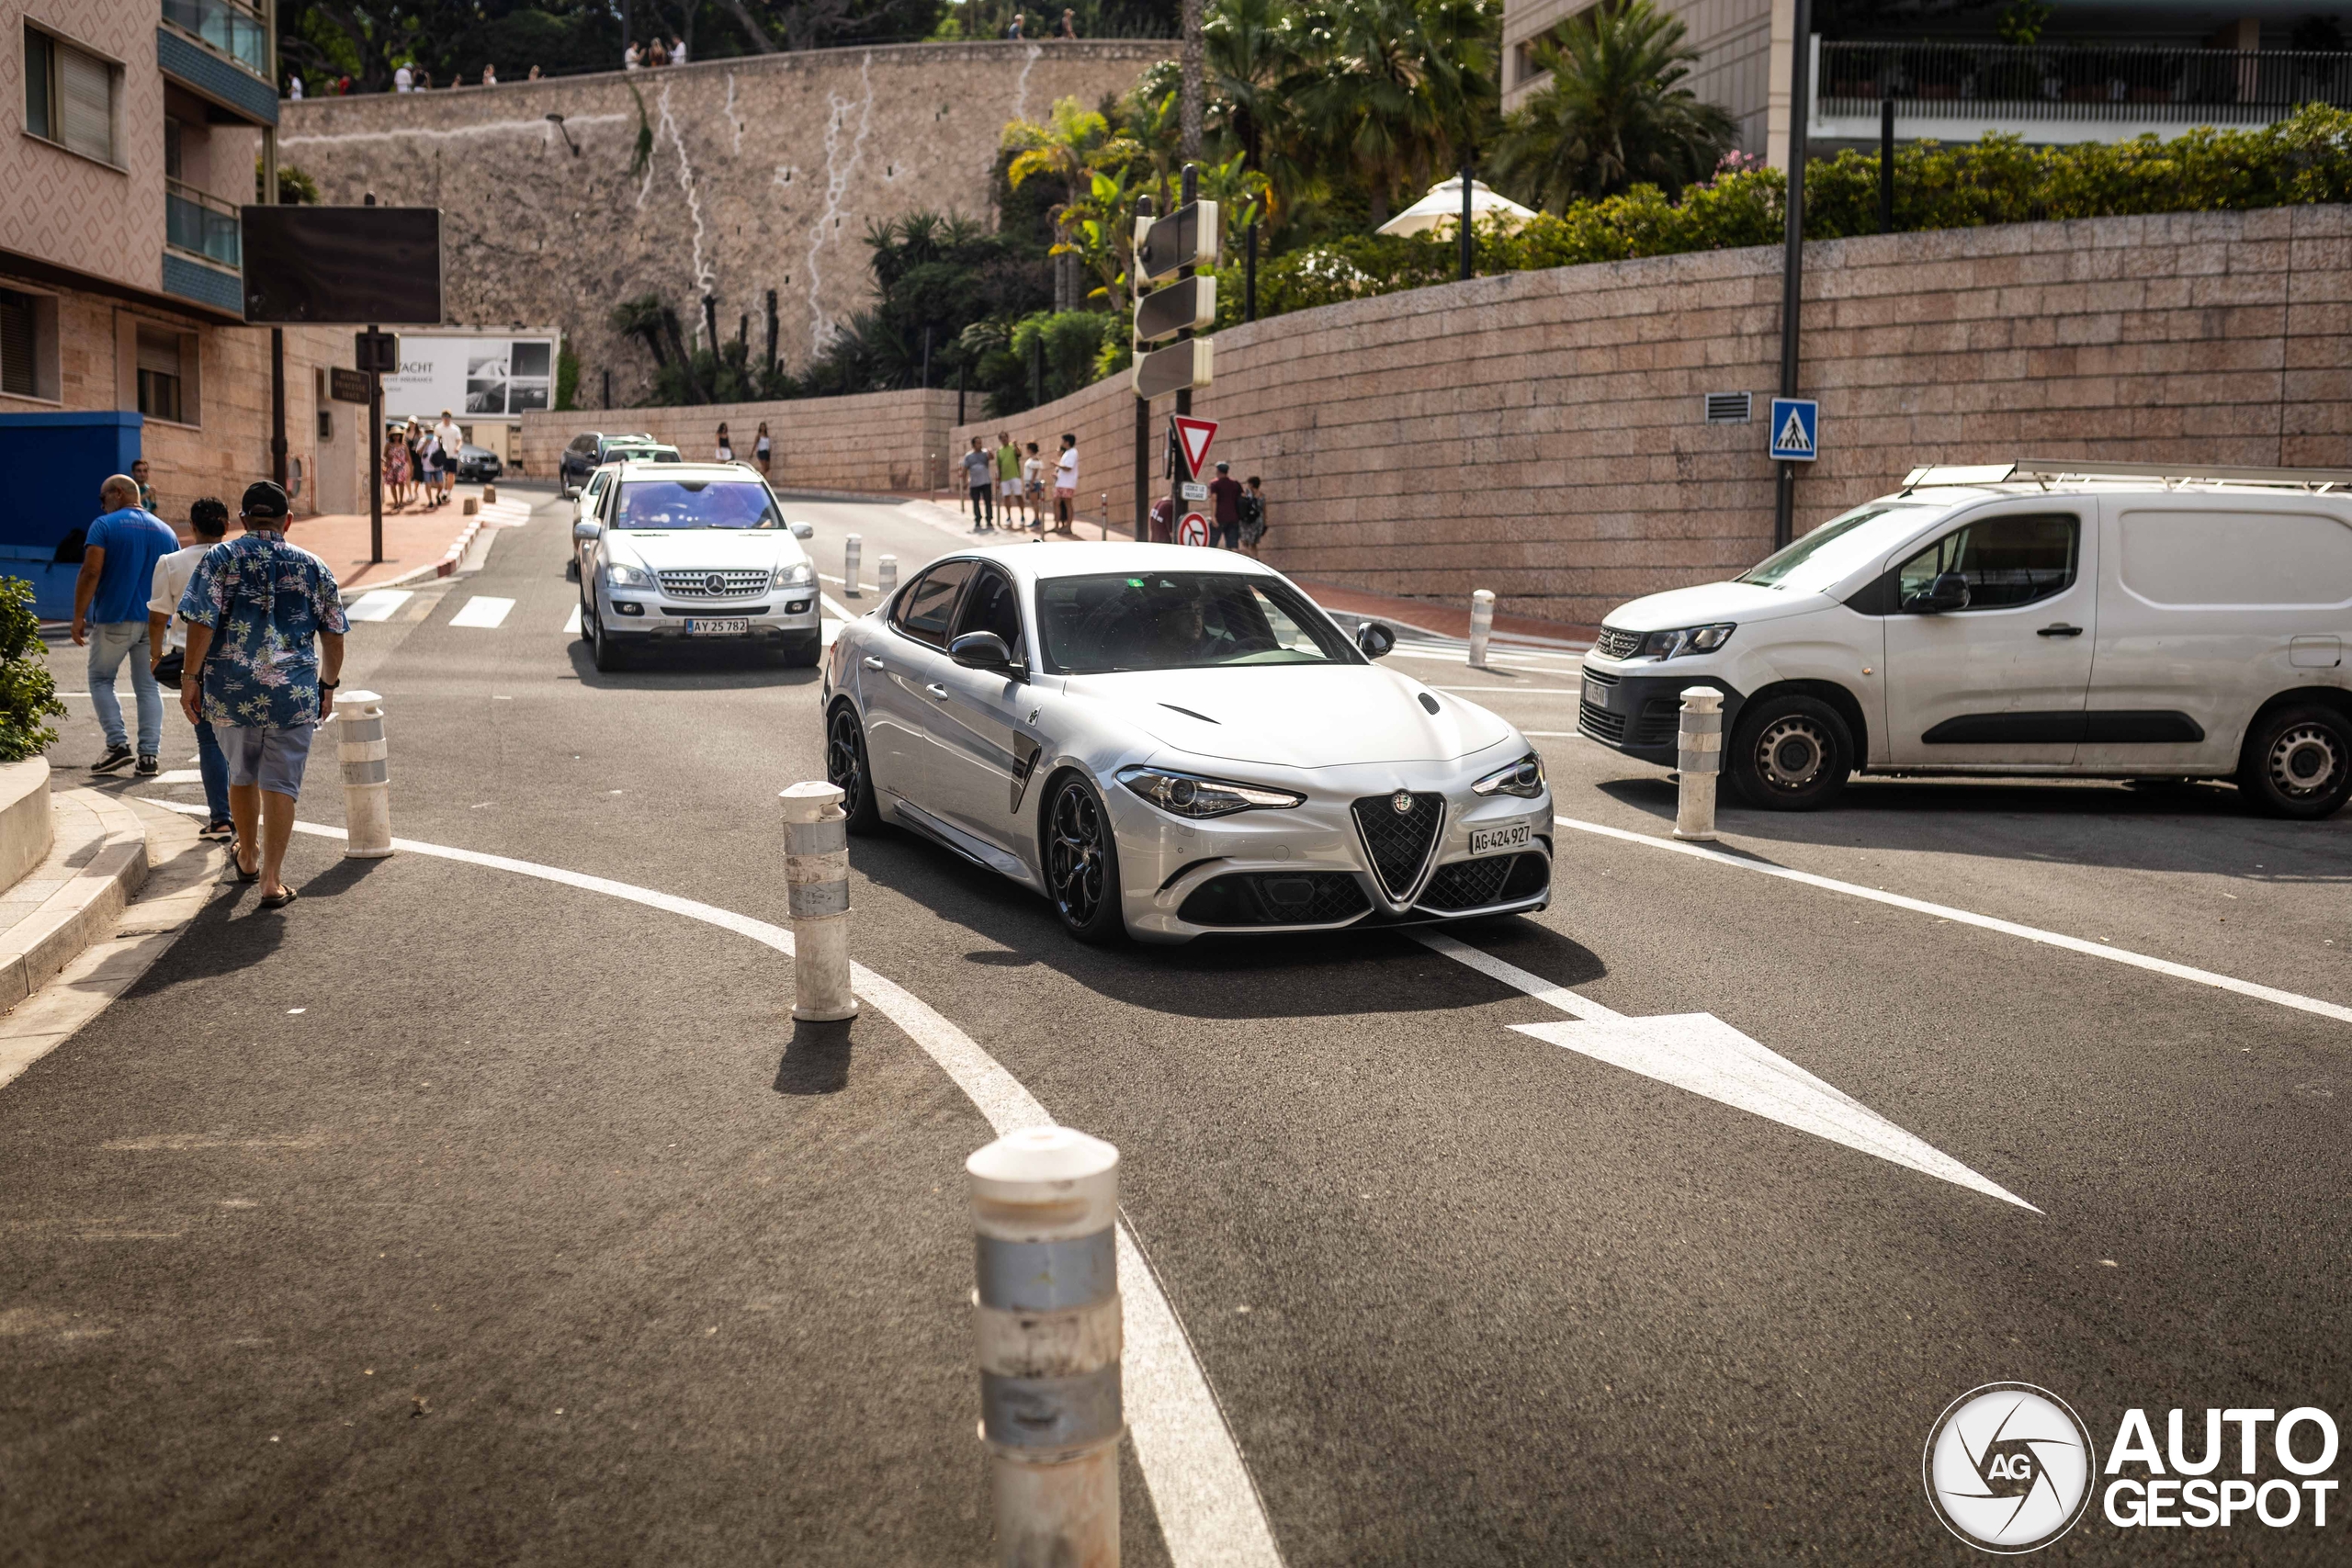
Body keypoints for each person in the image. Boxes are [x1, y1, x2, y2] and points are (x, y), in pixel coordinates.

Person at [177, 481, 348, 911]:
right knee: (282, 781)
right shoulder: (313, 566)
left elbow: (201, 622)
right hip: (293, 693)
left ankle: (248, 855)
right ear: (287, 521)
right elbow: (333, 636)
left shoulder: (220, 558)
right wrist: (328, 686)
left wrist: (189, 678)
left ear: (242, 520)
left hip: (232, 690)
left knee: (241, 772)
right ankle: (271, 881)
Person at [72, 474, 180, 775]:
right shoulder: (166, 531)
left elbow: (91, 571)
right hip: (154, 622)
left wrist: (78, 615)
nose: (102, 504)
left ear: (118, 493)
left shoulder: (104, 525)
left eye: (103, 498)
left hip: (115, 618)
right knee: (147, 687)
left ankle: (118, 744)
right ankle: (148, 757)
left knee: (101, 679)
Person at [149, 497, 233, 840]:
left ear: (193, 526)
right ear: (227, 526)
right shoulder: (239, 558)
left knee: (210, 740)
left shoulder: (171, 563)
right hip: (238, 657)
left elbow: (158, 616)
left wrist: (155, 655)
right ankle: (250, 813)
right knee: (246, 739)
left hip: (191, 659)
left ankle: (222, 819)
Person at [1207, 460, 1243, 550]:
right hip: (1234, 517)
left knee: (1212, 545)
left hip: (1220, 517)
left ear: (1218, 471)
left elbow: (1214, 500)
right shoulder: (1235, 483)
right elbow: (1242, 498)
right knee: (1233, 546)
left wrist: (1213, 517)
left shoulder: (1215, 484)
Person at [961, 437, 995, 531]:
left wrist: (990, 452)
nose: (980, 445)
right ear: (973, 445)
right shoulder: (969, 456)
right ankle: (978, 520)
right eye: (977, 443)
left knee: (988, 501)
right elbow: (965, 469)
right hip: (974, 483)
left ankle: (989, 520)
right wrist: (964, 482)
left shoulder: (985, 453)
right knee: (976, 502)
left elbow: (992, 458)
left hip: (985, 482)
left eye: (980, 443)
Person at [995, 432, 1023, 526]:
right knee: (1006, 497)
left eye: (1005, 437)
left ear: (1008, 438)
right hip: (1004, 478)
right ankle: (1009, 517)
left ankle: (1022, 516)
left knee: (1018, 495)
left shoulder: (1013, 446)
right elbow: (999, 466)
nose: (1004, 439)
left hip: (1014, 476)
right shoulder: (999, 451)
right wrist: (999, 479)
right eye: (1002, 438)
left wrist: (1016, 445)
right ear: (1000, 440)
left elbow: (1019, 453)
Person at [1238, 474, 1269, 558]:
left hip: (1247, 521)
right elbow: (1264, 510)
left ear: (1251, 484)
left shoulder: (1247, 495)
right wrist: (1265, 523)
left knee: (1244, 542)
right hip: (1258, 521)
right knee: (1253, 543)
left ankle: (1251, 559)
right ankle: (1256, 558)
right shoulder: (1262, 496)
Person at [1053, 433, 1078, 533]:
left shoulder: (1073, 452)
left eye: (1063, 441)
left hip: (1067, 483)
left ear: (1067, 442)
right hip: (1061, 482)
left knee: (1068, 504)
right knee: (1056, 502)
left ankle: (1068, 527)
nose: (1062, 443)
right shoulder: (1067, 452)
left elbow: (1068, 467)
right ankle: (1057, 526)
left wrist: (1056, 464)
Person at [384, 423, 411, 509]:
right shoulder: (388, 445)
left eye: (398, 435)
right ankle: (395, 501)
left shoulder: (404, 445)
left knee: (401, 483)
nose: (396, 437)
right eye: (394, 435)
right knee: (392, 485)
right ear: (391, 436)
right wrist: (388, 458)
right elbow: (383, 455)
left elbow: (408, 457)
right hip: (391, 467)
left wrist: (410, 468)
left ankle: (401, 501)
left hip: (401, 467)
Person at [1023, 442, 1046, 531]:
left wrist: (1031, 484)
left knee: (1035, 503)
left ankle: (1037, 520)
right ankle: (1036, 519)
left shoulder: (1035, 459)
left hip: (1033, 483)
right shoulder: (1032, 459)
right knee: (1033, 503)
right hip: (1031, 483)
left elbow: (1035, 471)